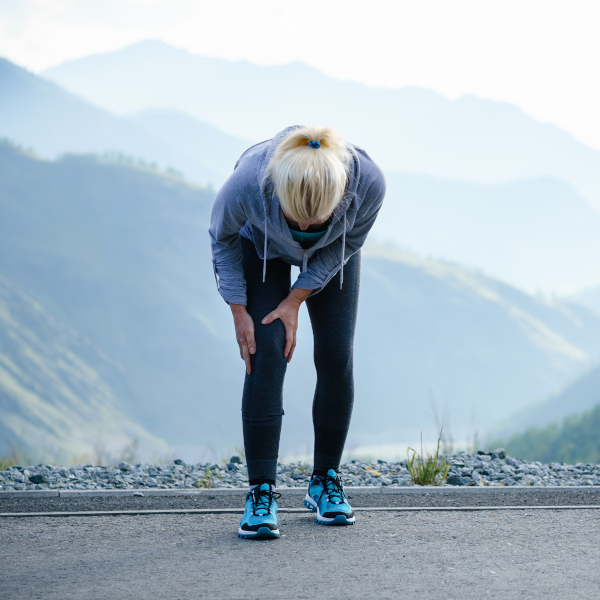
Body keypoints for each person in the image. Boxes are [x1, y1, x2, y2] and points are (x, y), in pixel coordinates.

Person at [209, 125, 386, 539]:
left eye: (316, 222)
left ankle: (325, 480)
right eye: (296, 220)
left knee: (336, 353)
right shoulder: (247, 184)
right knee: (264, 348)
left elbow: (351, 243)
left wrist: (295, 299)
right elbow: (222, 239)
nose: (304, 229)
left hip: (334, 252)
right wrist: (238, 309)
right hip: (261, 247)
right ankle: (261, 491)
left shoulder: (368, 185)